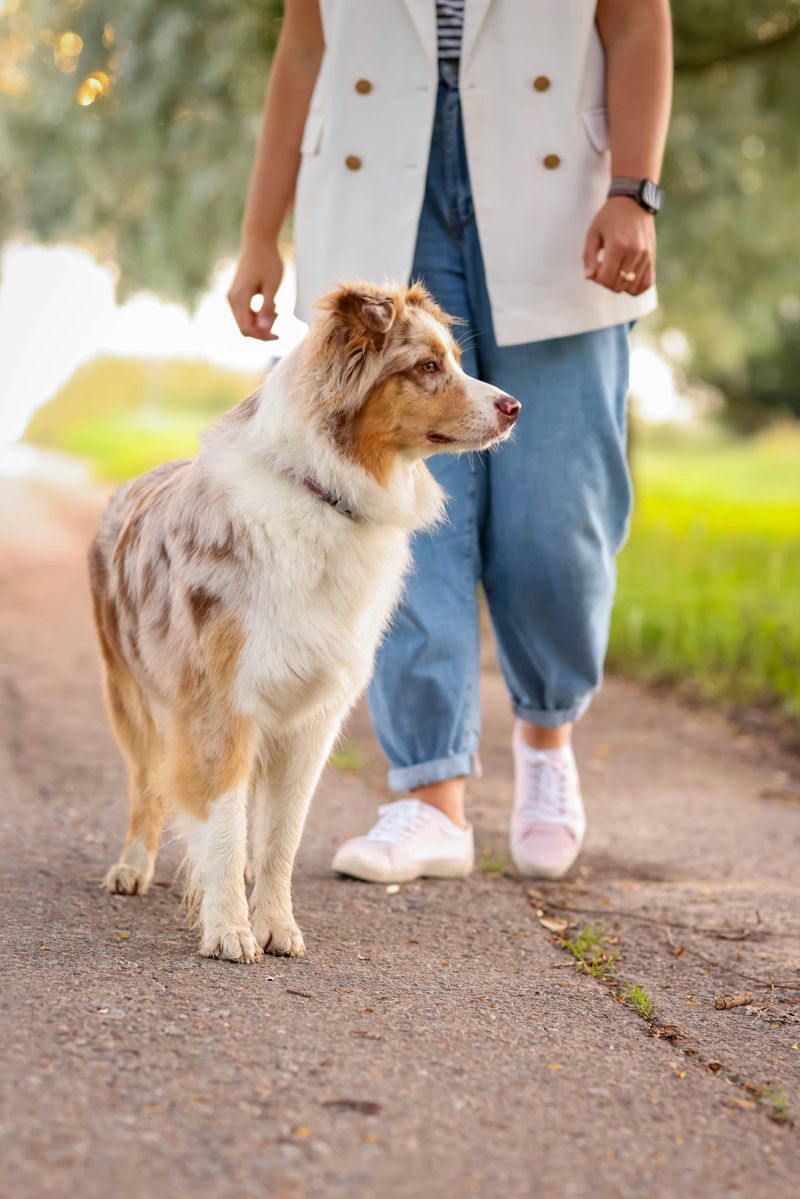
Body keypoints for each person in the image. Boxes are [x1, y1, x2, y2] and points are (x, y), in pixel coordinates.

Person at [228, 0, 673, 883]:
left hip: (560, 198)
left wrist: (635, 188)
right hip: (370, 193)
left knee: (558, 516)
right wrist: (258, 233)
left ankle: (547, 741)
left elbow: (636, 21)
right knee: (387, 510)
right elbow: (305, 42)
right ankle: (431, 796)